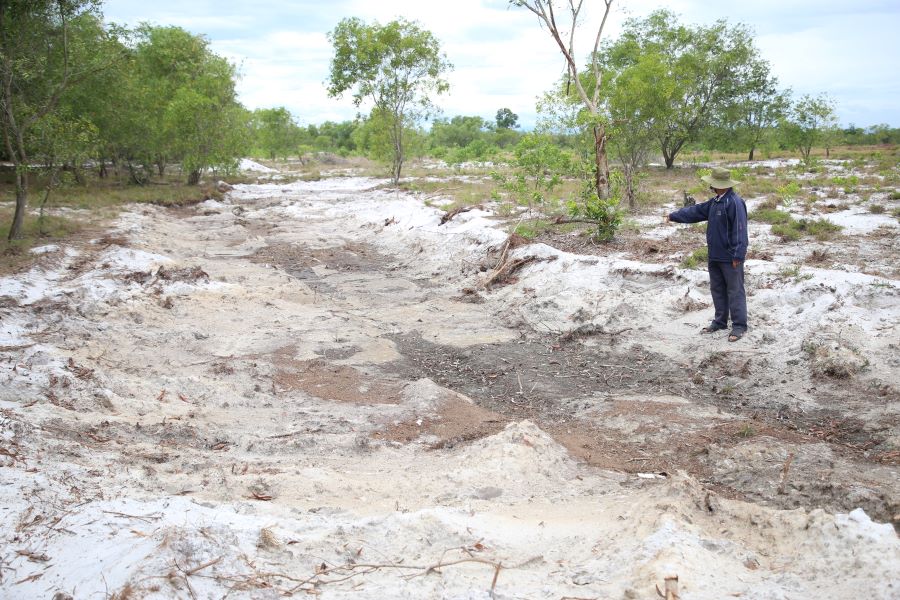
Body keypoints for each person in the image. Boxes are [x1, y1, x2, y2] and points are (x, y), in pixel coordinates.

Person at [666, 167, 749, 342]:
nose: (710, 185)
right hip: (715, 255)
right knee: (717, 289)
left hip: (730, 257)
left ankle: (739, 326)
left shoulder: (735, 202)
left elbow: (740, 231)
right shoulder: (715, 202)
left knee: (735, 291)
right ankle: (720, 322)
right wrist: (674, 216)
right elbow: (695, 211)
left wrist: (737, 255)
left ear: (717, 184)